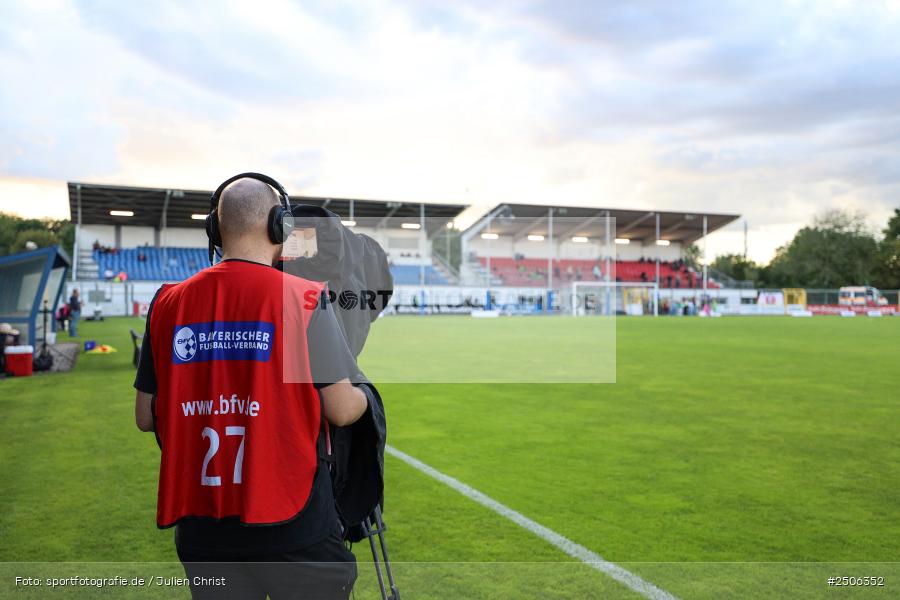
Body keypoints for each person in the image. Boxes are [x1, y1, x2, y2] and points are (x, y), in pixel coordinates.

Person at [133, 177, 365, 600]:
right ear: (280, 226)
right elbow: (342, 409)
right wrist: (365, 394)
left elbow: (146, 416)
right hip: (293, 524)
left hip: (202, 528)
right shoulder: (304, 298)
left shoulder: (166, 302)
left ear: (214, 228)